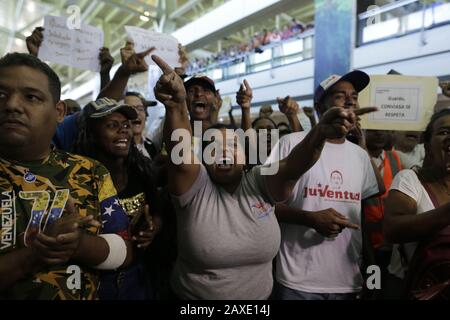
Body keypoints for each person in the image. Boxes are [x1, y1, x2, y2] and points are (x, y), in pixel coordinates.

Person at [151, 54, 373, 300]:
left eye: (233, 145)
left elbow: (292, 166)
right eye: (213, 147)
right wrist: (176, 105)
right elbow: (179, 155)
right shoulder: (196, 186)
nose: (223, 151)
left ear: (246, 156)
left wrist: (319, 133)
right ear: (201, 158)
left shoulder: (258, 178)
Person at [0, 53, 133, 299]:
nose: (11, 105)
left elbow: (124, 250)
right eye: (1, 95)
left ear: (59, 111)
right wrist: (35, 254)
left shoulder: (90, 171)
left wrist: (79, 245)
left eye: (31, 97)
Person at [267, 70, 384, 300]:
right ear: (320, 106)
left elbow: (367, 213)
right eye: (340, 96)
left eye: (354, 95)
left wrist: (372, 276)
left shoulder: (359, 156)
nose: (350, 100)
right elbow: (262, 206)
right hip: (297, 282)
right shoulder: (289, 143)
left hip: (348, 281)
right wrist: (310, 218)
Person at [72, 97, 162, 300]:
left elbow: (157, 212)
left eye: (125, 125)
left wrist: (153, 229)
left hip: (138, 278)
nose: (123, 130)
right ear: (91, 133)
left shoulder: (141, 169)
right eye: (112, 125)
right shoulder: (76, 178)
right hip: (95, 282)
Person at [383, 108, 450, 299]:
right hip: (414, 288)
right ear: (427, 147)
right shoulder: (410, 180)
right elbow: (392, 229)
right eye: (444, 132)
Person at [362, 129, 402, 285]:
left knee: (387, 284)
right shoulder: (356, 158)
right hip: (367, 243)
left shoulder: (394, 157)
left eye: (382, 128)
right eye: (372, 129)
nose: (378, 133)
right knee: (373, 285)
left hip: (391, 242)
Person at [123, 91, 159, 160]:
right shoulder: (120, 149)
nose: (137, 113)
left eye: (140, 109)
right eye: (131, 109)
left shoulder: (151, 146)